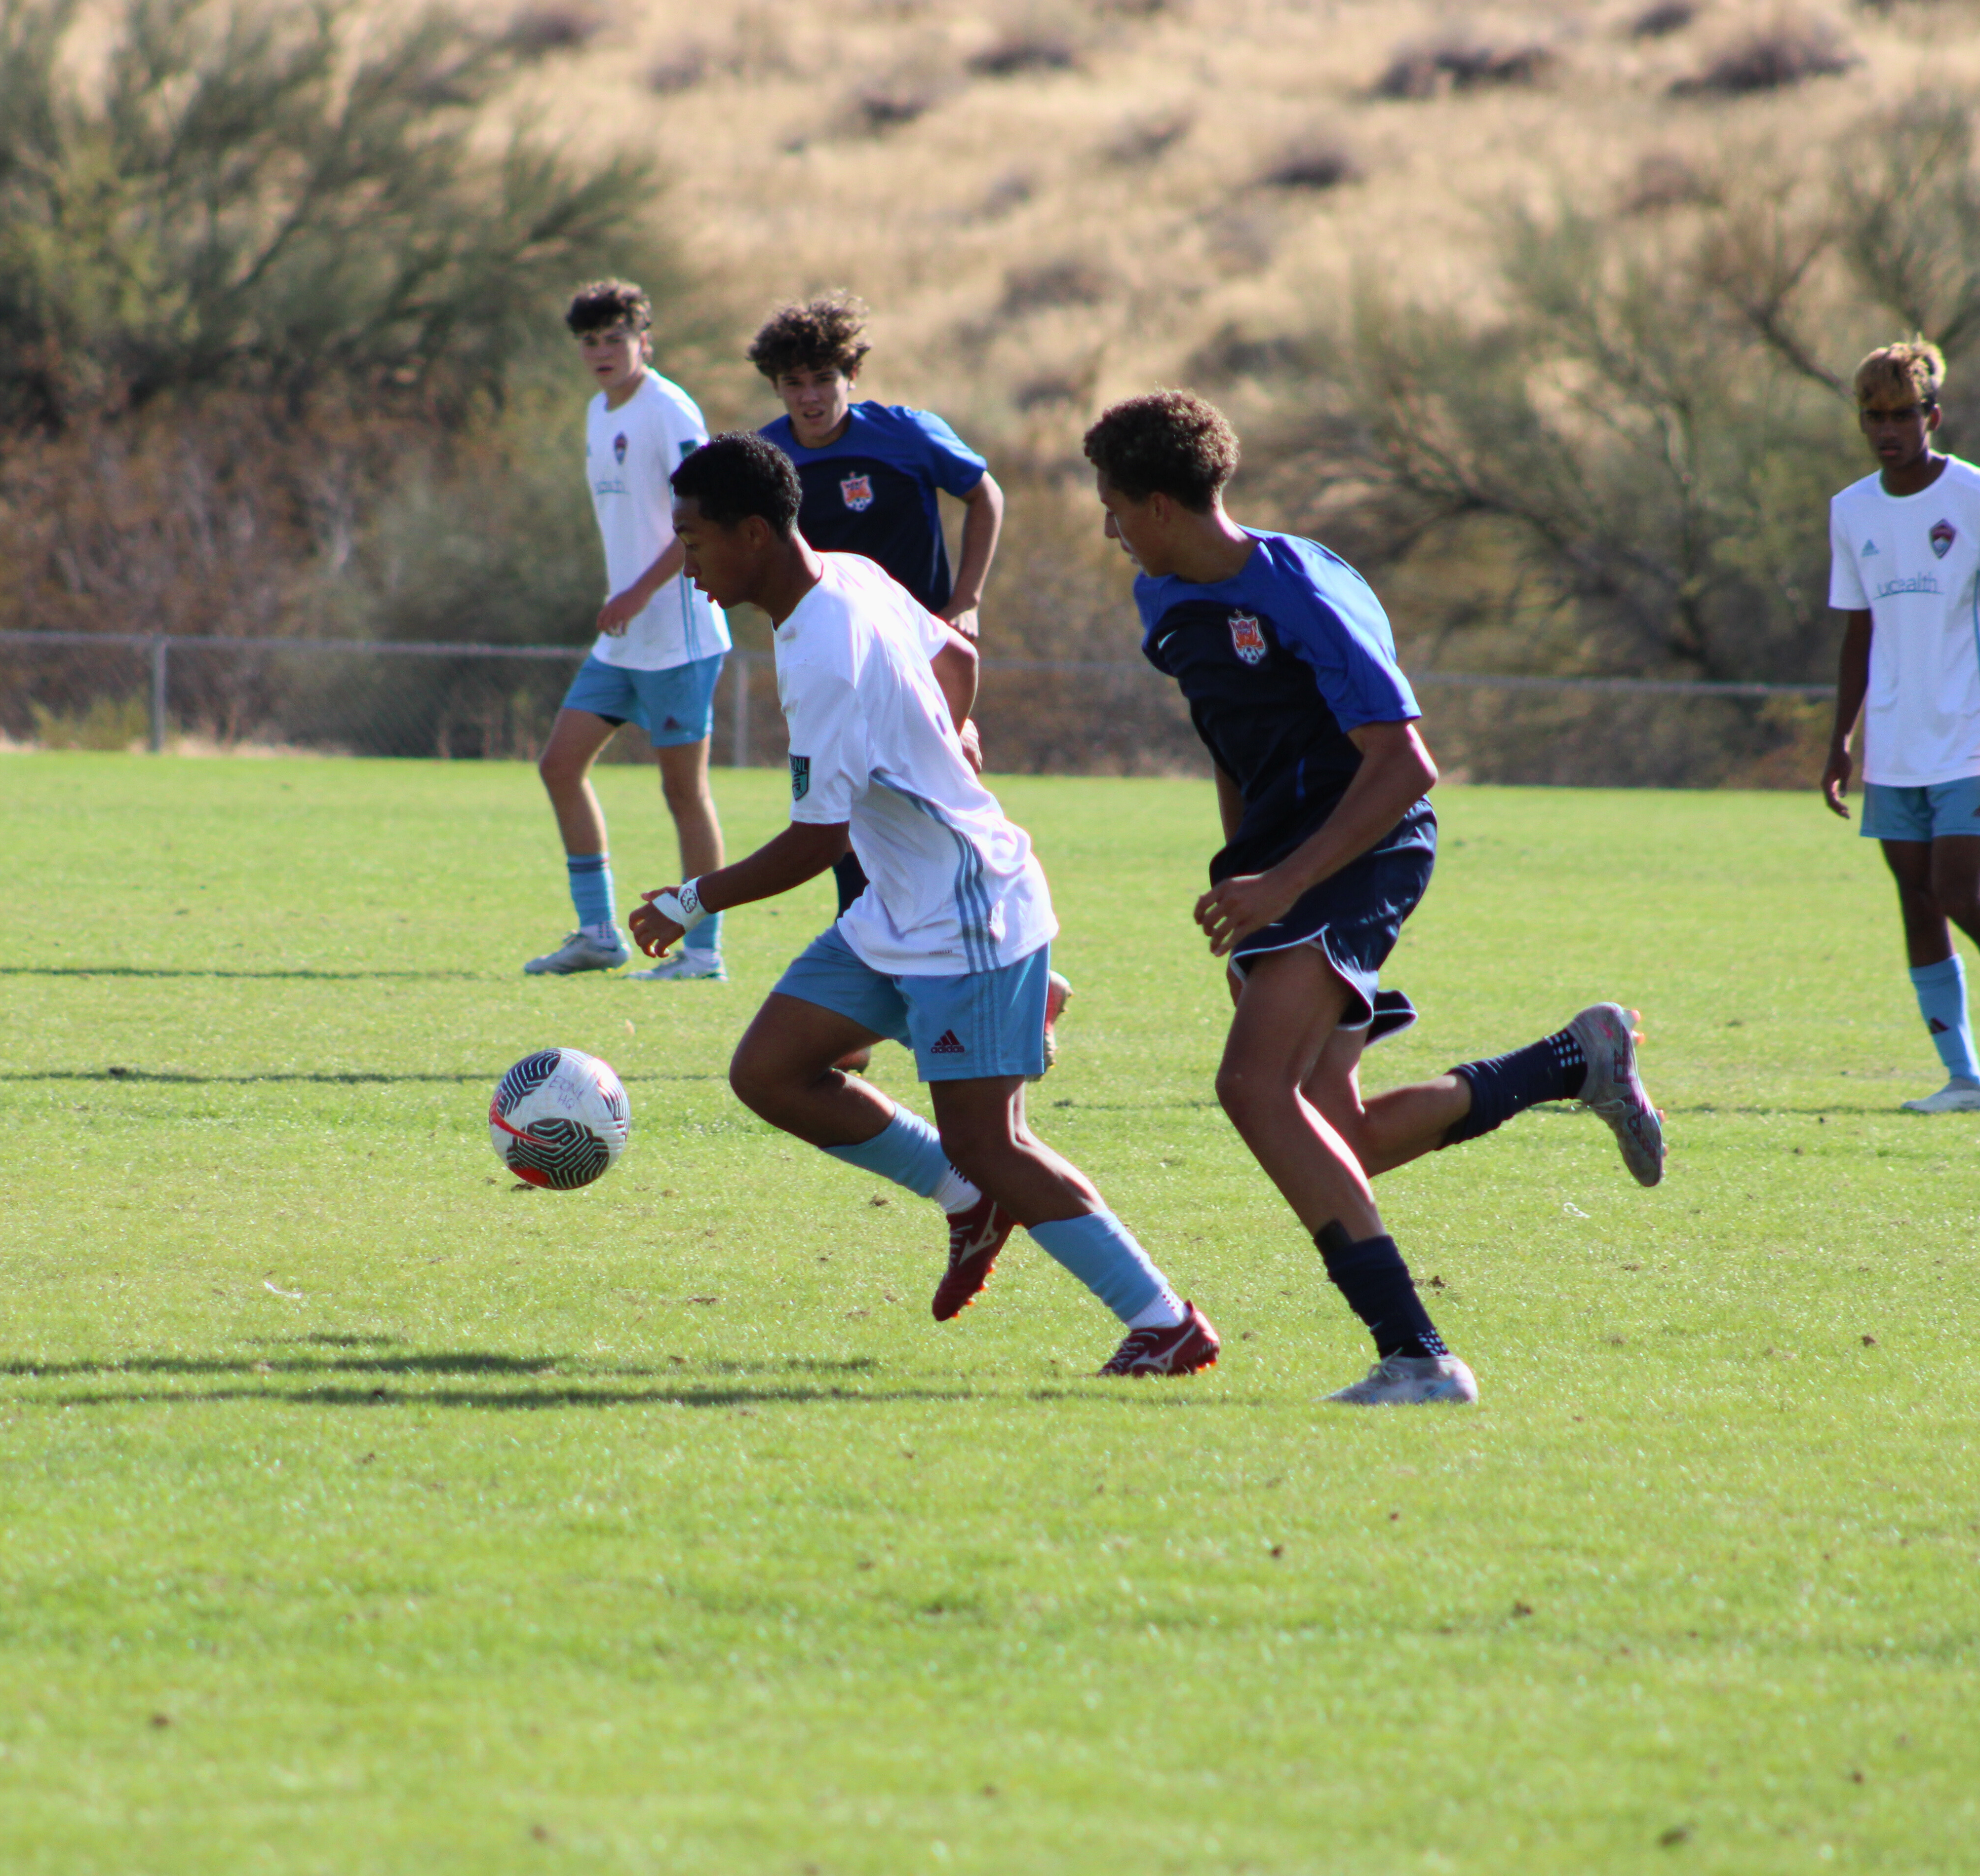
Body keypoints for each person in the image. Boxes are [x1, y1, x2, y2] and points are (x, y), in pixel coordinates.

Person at [1083, 390, 1667, 1408]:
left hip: (1365, 840)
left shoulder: (1303, 587)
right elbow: (1231, 738)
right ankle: (1575, 1059)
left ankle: (1419, 1354)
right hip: (1279, 866)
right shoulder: (1163, 601)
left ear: (1164, 506)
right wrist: (1242, 875)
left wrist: (1284, 884)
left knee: (1251, 1087)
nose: (1110, 529)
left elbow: (1406, 764)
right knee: (1331, 1134)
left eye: (1116, 508)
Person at [630, 433, 1218, 1378]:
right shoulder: (851, 576)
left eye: (694, 540)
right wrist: (954, 727)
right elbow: (956, 651)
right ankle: (964, 1198)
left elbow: (817, 842)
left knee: (996, 1143)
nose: (686, 561)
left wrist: (691, 902)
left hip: (968, 917)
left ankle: (1162, 1319)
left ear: (753, 533)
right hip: (896, 913)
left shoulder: (824, 649)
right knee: (771, 1074)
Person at [746, 290, 1072, 1057]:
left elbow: (984, 492)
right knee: (854, 825)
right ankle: (873, 1010)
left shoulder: (903, 434)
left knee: (944, 822)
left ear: (851, 373)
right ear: (777, 388)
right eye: (794, 383)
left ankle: (1016, 982)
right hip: (840, 668)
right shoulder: (769, 459)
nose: (811, 396)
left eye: (824, 377)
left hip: (922, 668)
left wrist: (967, 601)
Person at [1820, 339, 1980, 1113]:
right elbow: (1859, 632)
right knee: (1916, 900)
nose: (1889, 427)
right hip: (1896, 744)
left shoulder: (1978, 497)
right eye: (1875, 415)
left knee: (1959, 890)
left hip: (1971, 735)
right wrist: (1841, 738)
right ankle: (1964, 1079)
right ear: (1862, 421)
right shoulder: (1851, 510)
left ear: (1933, 415)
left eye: (1903, 413)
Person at [523, 279, 732, 981]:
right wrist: (625, 601)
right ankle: (598, 934)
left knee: (683, 794)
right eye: (590, 341)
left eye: (617, 338)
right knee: (560, 765)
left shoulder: (669, 410)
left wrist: (638, 592)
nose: (603, 352)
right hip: (624, 641)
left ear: (645, 339)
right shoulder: (595, 412)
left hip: (679, 638)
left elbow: (705, 519)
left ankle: (702, 952)